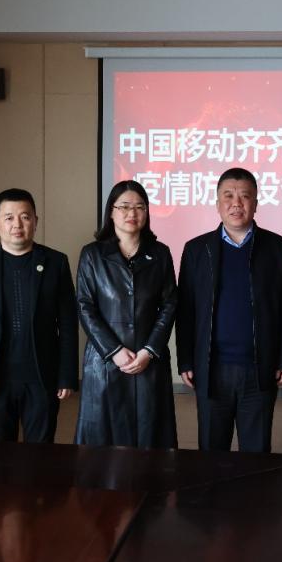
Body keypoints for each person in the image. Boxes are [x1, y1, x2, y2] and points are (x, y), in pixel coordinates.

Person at [176, 167, 282, 454]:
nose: (236, 203)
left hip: (259, 368)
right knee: (211, 451)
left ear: (256, 203)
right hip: (211, 369)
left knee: (256, 454)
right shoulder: (196, 249)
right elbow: (186, 311)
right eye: (228, 196)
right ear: (217, 203)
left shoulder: (278, 247)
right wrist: (185, 360)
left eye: (245, 196)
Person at [0, 189, 78, 443]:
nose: (17, 225)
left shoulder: (56, 262)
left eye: (25, 217)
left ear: (35, 221)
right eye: (9, 218)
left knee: (41, 454)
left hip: (41, 377)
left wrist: (67, 375)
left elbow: (68, 325)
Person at [74, 180, 178, 448]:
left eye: (140, 207)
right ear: (111, 211)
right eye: (124, 206)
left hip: (148, 359)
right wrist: (114, 350)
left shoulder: (160, 253)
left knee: (150, 437)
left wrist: (149, 350)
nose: (132, 213)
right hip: (105, 361)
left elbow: (169, 305)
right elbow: (85, 306)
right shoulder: (93, 254)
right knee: (103, 440)